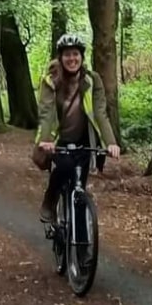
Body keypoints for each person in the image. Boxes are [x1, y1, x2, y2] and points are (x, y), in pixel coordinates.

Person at [35, 32, 119, 227]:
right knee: (63, 169)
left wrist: (111, 143)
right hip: (59, 142)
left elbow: (100, 113)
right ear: (60, 57)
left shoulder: (92, 80)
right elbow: (46, 113)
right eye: (67, 55)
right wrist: (45, 139)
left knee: (79, 189)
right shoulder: (50, 81)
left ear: (81, 56)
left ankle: (82, 249)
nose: (71, 59)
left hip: (84, 140)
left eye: (75, 54)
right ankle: (50, 199)